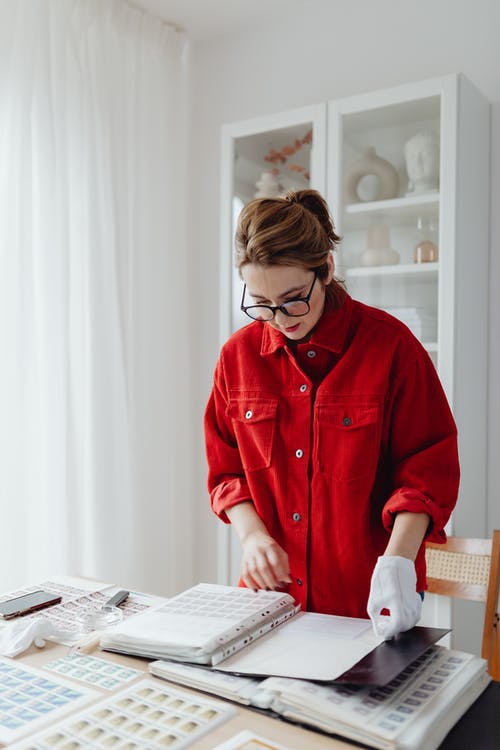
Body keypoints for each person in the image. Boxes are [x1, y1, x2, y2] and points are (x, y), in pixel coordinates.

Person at [204, 189, 459, 639]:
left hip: (369, 597)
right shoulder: (237, 357)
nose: (280, 318)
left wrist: (398, 561)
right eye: (260, 302)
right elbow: (227, 473)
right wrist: (252, 536)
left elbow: (427, 473)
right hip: (272, 601)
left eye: (293, 298)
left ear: (326, 271)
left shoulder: (392, 349)